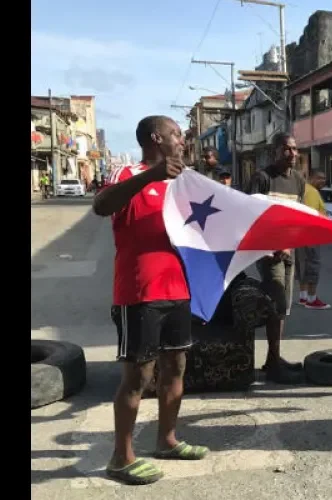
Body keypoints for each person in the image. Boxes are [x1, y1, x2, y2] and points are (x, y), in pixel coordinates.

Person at [92, 116, 207, 485]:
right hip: (140, 292)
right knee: (138, 376)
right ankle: (121, 458)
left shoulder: (184, 183)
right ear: (157, 138)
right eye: (177, 134)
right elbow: (101, 205)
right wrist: (151, 176)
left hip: (178, 290)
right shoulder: (128, 172)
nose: (182, 141)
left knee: (175, 368)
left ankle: (167, 440)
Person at [244, 133, 307, 384]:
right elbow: (249, 215)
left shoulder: (299, 181)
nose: (291, 154)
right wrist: (266, 248)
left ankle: (274, 358)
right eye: (286, 149)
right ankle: (273, 363)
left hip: (289, 251)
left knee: (283, 307)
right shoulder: (262, 178)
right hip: (268, 253)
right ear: (275, 152)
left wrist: (291, 244)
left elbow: (297, 217)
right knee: (276, 302)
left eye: (294, 149)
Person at [296, 169, 331, 310]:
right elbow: (310, 214)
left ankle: (303, 297)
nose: (323, 181)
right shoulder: (311, 192)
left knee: (303, 265)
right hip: (311, 235)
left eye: (324, 178)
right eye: (320, 177)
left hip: (301, 235)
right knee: (313, 266)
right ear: (311, 178)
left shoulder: (304, 189)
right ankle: (312, 299)